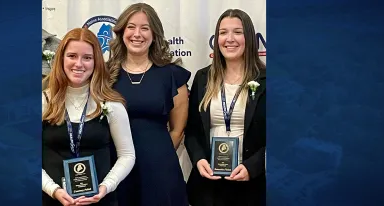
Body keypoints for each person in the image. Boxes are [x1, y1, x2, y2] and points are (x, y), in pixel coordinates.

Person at [106, 3, 190, 206]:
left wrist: (157, 158)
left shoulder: (172, 74)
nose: (137, 34)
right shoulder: (104, 73)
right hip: (114, 168)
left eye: (145, 28)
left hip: (160, 169)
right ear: (121, 31)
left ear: (154, 34)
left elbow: (178, 130)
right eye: (131, 27)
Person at [42, 27, 136, 206]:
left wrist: (106, 187)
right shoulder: (44, 102)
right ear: (61, 58)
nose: (79, 64)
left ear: (96, 62)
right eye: (72, 56)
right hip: (52, 200)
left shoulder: (112, 105)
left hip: (100, 201)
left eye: (87, 58)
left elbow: (127, 155)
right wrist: (53, 190)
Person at [184, 9, 266, 206]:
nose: (229, 39)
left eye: (237, 32)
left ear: (249, 37)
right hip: (208, 184)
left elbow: (280, 136)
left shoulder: (267, 80)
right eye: (223, 32)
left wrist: (253, 167)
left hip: (251, 184)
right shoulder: (203, 78)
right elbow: (193, 131)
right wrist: (199, 160)